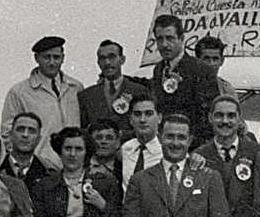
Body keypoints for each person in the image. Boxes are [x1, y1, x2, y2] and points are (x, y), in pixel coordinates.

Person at [0, 35, 83, 170]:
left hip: (73, 167)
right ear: (36, 58)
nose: (52, 62)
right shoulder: (19, 92)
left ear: (63, 58)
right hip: (39, 168)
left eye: (56, 57)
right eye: (46, 57)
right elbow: (8, 133)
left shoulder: (75, 88)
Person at [148, 14, 219, 144]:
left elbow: (209, 118)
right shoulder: (158, 69)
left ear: (181, 39)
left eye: (170, 38)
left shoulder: (202, 70)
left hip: (189, 148)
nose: (164, 44)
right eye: (160, 39)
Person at [77, 39, 150, 134]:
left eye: (112, 57)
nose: (107, 62)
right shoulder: (86, 96)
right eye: (102, 58)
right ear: (98, 62)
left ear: (122, 59)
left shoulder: (139, 91)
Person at [0, 111, 53, 195]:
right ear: (10, 135)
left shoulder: (49, 174)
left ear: (39, 139)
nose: (25, 135)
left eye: (31, 131)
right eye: (20, 129)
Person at [119, 94, 162, 193]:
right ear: (131, 120)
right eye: (137, 114)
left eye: (149, 114)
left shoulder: (168, 151)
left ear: (159, 118)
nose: (142, 120)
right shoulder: (126, 148)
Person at [87, 118, 125, 187]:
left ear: (118, 142)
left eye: (109, 138)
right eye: (98, 137)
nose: (103, 141)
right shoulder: (81, 167)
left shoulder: (125, 169)